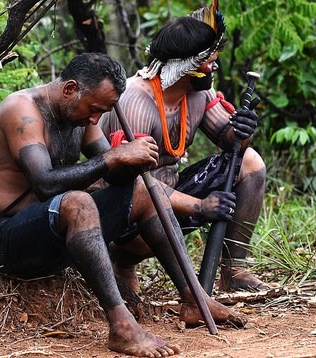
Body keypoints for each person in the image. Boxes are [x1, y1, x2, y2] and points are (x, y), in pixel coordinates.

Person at [0, 53, 242, 357]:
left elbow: (114, 175)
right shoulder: (22, 111)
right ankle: (121, 326)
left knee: (140, 188)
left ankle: (194, 297)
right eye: (94, 110)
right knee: (79, 202)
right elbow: (44, 183)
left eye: (102, 112)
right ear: (70, 89)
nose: (94, 120)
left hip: (53, 237)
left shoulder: (81, 113)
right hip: (4, 241)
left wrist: (132, 158)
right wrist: (114, 157)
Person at [100, 5, 268, 293]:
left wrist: (243, 128)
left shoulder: (198, 94)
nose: (214, 67)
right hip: (127, 212)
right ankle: (121, 261)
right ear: (185, 66)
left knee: (249, 161)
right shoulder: (136, 103)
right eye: (208, 62)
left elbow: (230, 141)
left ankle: (233, 271)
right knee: (146, 202)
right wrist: (201, 206)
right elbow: (139, 185)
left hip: (171, 196)